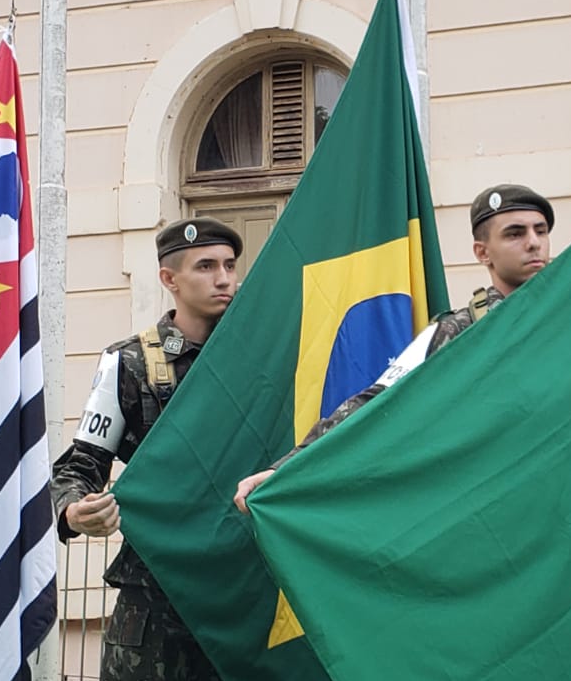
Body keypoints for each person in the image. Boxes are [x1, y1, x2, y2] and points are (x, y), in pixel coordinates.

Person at [51, 217, 245, 681]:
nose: (224, 279)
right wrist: (74, 509)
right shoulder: (131, 363)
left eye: (229, 266)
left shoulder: (254, 355)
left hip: (226, 602)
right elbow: (79, 464)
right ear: (169, 278)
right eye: (206, 267)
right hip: (152, 604)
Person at [234, 182, 554, 510]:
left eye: (541, 231)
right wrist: (284, 468)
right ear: (482, 252)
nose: (533, 243)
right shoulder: (457, 331)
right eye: (515, 234)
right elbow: (374, 402)